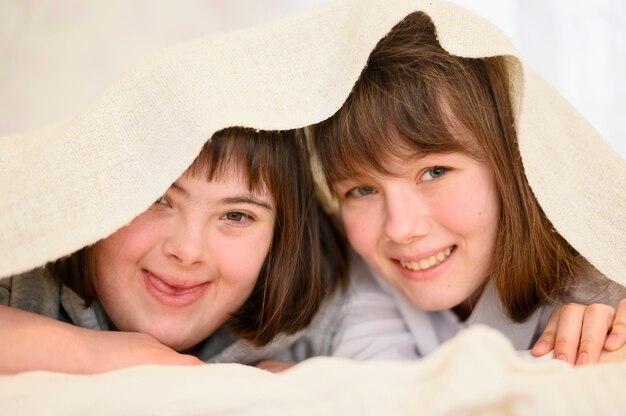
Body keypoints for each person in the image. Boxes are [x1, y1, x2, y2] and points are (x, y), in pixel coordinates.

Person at [310, 10, 626, 366]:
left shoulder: (602, 287)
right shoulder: (371, 273)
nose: (400, 228)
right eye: (362, 191)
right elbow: (374, 383)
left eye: (436, 171)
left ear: (513, 166)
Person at [0, 127, 348, 374]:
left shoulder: (328, 318)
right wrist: (88, 354)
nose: (188, 250)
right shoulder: (23, 275)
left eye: (236, 215)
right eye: (158, 198)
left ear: (280, 236)